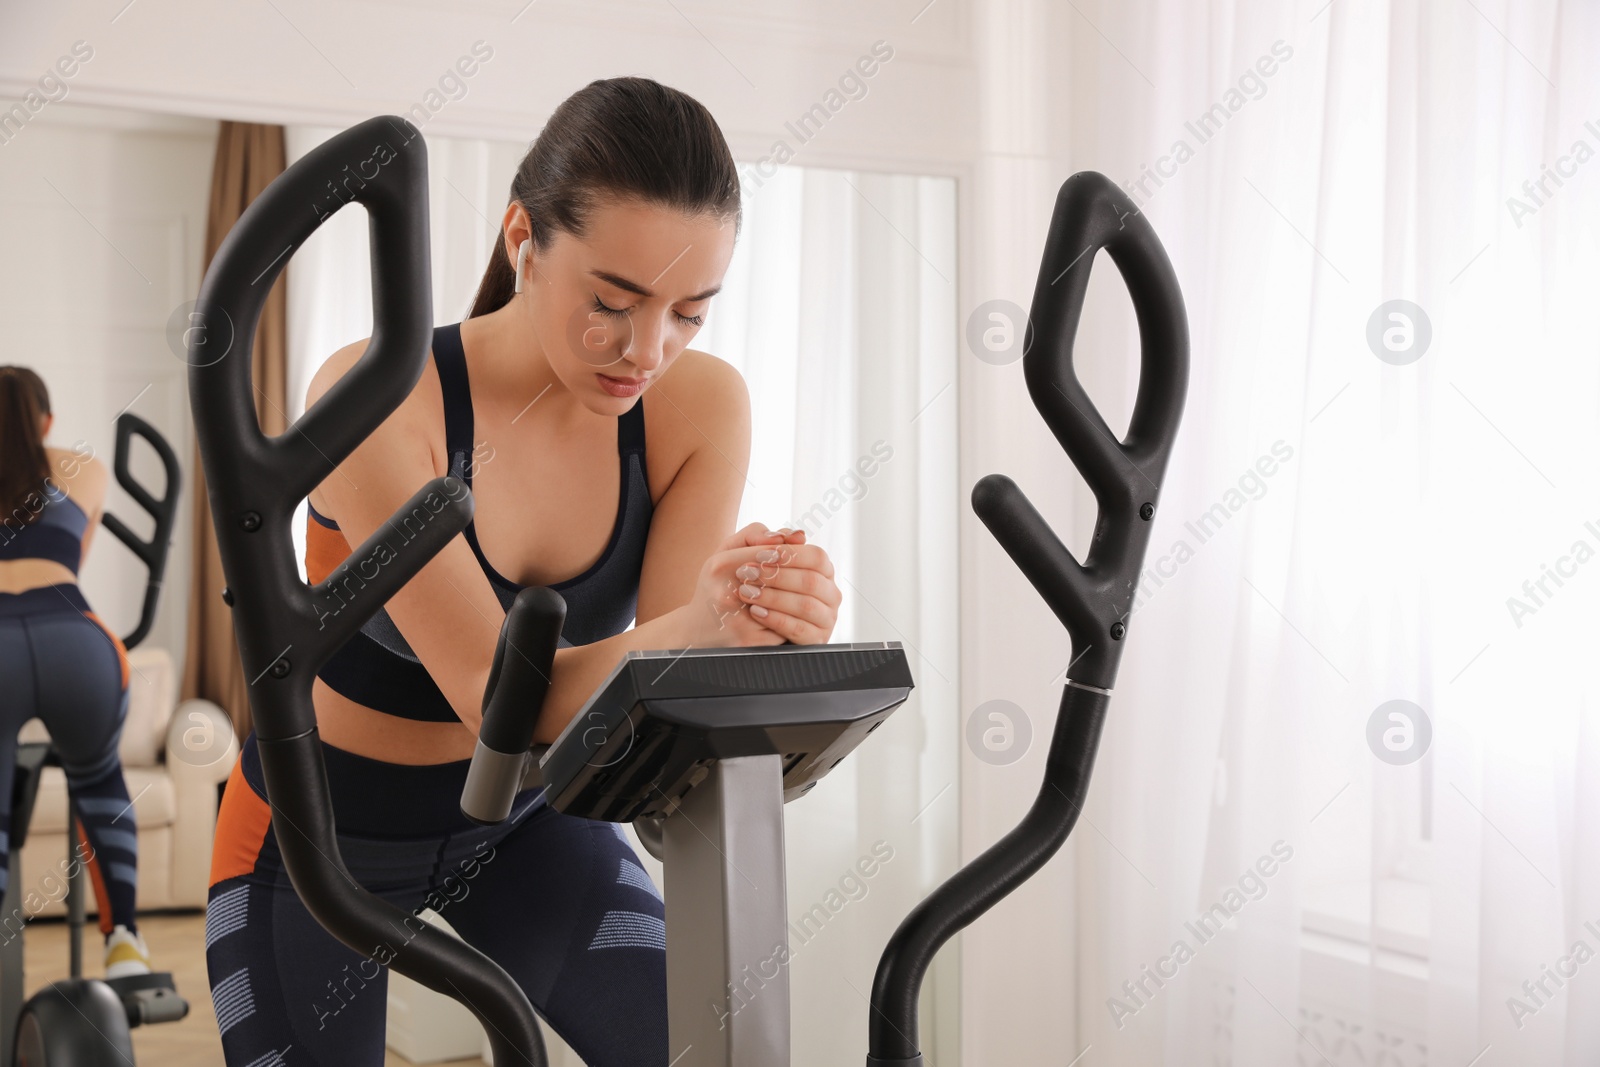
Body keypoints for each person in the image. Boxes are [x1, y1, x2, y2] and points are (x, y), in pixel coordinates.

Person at [204, 77, 841, 1066]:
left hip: (526, 827)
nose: (646, 351)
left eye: (689, 313)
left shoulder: (697, 406)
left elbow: (658, 686)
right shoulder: (382, 397)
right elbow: (500, 697)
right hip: (319, 843)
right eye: (613, 302)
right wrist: (701, 620)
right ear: (522, 239)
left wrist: (764, 607)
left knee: (700, 1051)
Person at [0, 365, 152, 978]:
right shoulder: (82, 469)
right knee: (98, 779)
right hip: (76, 640)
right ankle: (125, 946)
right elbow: (73, 558)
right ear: (46, 420)